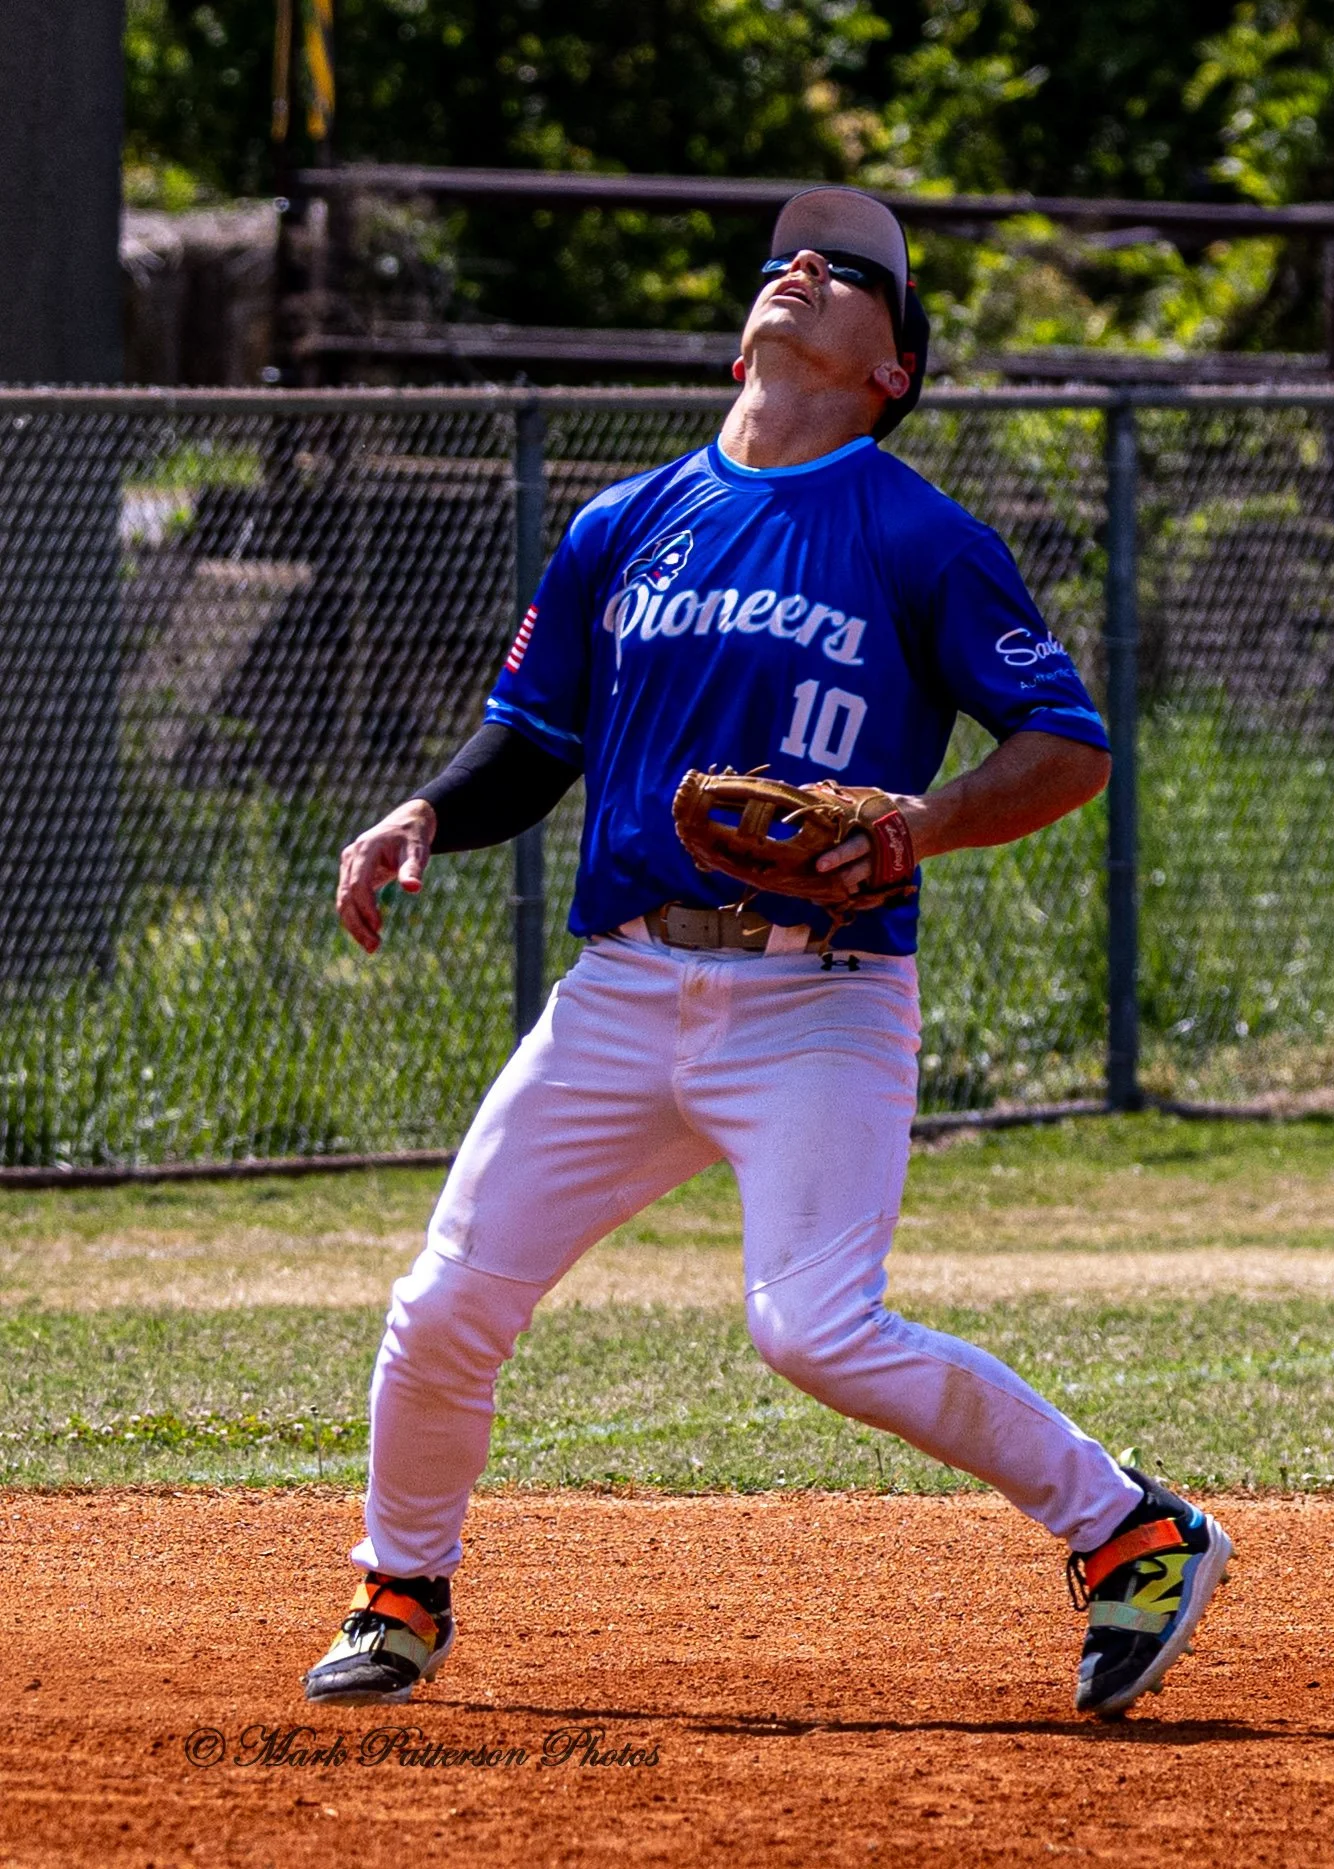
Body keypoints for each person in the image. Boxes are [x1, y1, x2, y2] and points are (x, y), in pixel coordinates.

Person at [309, 187, 1232, 1719]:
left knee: (811, 1327)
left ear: (892, 369)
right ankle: (399, 1590)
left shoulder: (914, 531)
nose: (800, 269)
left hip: (819, 994)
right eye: (784, 259)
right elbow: (532, 738)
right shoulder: (625, 522)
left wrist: (916, 827)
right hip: (618, 990)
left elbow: (1065, 747)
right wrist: (422, 812)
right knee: (446, 1302)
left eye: (850, 271)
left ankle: (1130, 1528)